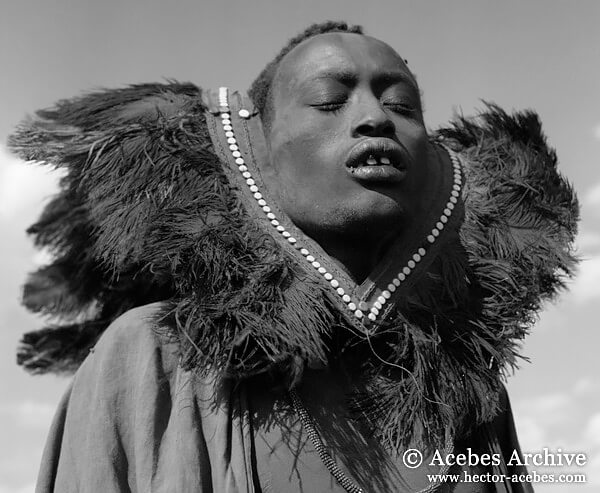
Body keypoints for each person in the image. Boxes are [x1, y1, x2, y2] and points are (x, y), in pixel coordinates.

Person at [9, 21, 578, 493]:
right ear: (256, 155)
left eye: (401, 104)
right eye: (331, 100)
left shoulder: (470, 390)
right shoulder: (153, 356)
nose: (376, 117)